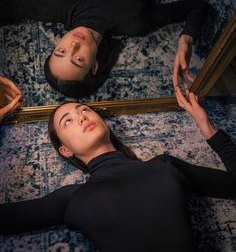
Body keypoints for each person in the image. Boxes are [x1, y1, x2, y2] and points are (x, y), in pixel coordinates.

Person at [1, 87, 236, 252]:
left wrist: (206, 125)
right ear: (65, 151)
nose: (81, 117)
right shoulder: (71, 199)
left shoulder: (165, 165)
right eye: (68, 120)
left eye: (84, 110)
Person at [0, 0, 209, 97]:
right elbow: (197, 8)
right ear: (94, 67)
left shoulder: (51, 9)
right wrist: (186, 40)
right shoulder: (134, 23)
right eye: (78, 59)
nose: (73, 44)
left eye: (61, 51)